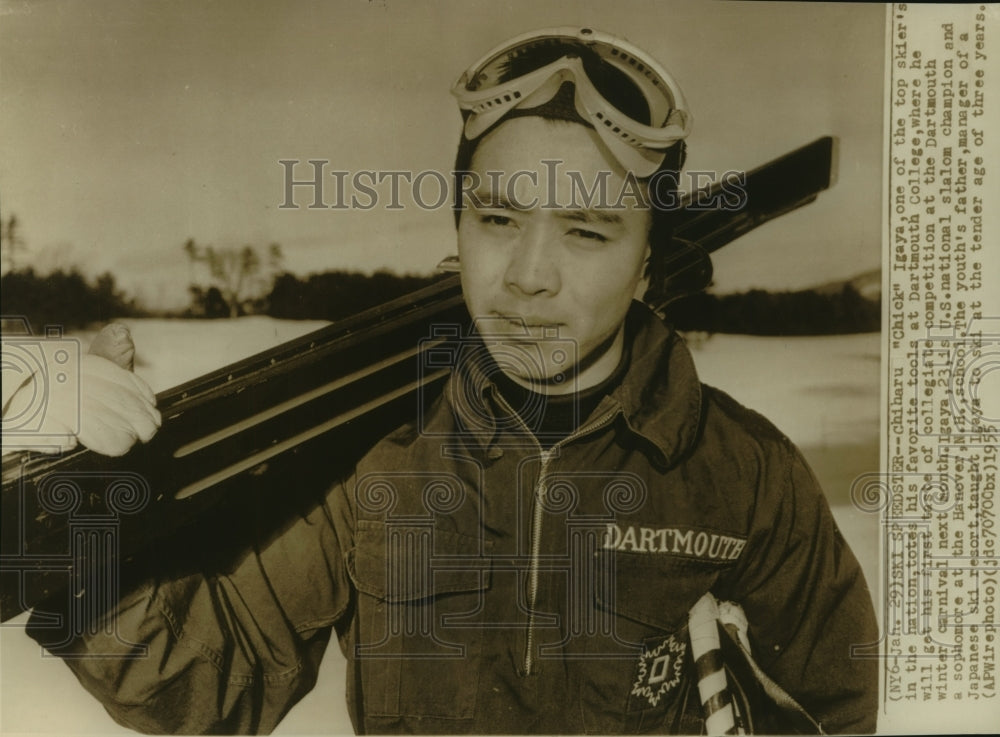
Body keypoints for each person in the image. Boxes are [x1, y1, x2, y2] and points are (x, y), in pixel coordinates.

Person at [18, 27, 877, 735]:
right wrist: (79, 518)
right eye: (498, 218)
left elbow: (852, 708)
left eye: (586, 231)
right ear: (459, 226)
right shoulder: (375, 460)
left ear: (648, 265)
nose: (528, 276)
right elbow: (210, 681)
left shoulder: (746, 476)